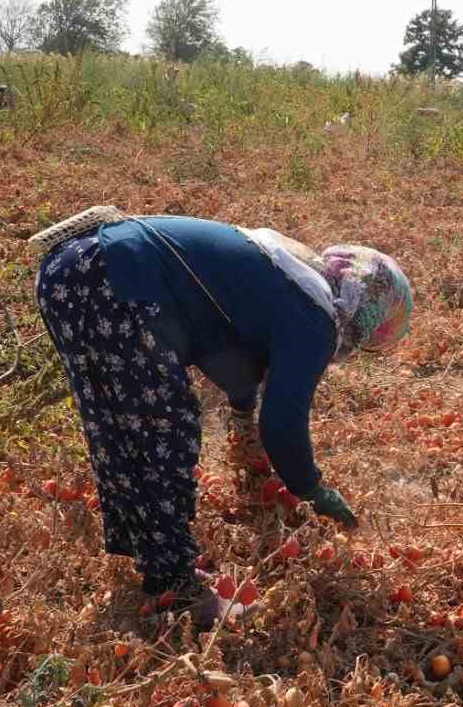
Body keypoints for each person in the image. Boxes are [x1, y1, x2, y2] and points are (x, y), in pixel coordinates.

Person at [33, 214, 413, 626]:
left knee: (121, 425)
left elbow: (232, 353)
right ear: (366, 314)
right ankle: (175, 589)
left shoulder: (291, 274)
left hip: (72, 272)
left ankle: (161, 565)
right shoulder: (316, 319)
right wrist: (311, 488)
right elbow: (283, 422)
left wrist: (240, 413)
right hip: (115, 280)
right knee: (163, 432)